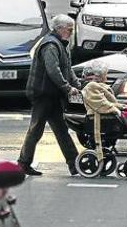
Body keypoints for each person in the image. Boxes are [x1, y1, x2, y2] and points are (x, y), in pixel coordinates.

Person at [18, 14, 81, 176]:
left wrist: (78, 86)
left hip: (51, 94)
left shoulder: (60, 44)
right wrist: (68, 88)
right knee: (37, 129)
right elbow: (53, 70)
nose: (71, 32)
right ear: (59, 29)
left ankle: (74, 164)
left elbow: (68, 68)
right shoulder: (51, 45)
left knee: (60, 130)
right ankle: (23, 163)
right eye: (70, 29)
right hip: (44, 93)